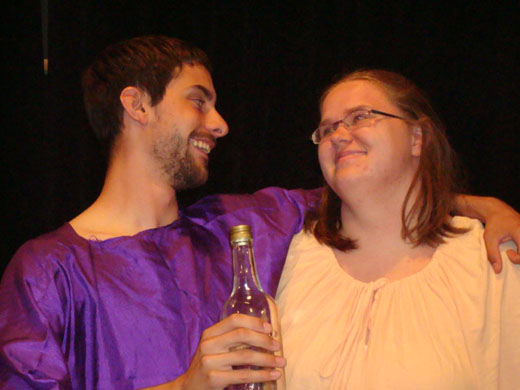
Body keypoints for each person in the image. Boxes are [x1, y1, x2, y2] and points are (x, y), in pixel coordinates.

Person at [0, 36, 518, 390]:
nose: (220, 124)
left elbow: (372, 191)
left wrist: (481, 206)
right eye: (198, 101)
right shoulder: (48, 270)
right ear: (137, 105)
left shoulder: (242, 228)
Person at [276, 69, 520, 389]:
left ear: (417, 138)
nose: (338, 134)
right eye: (326, 128)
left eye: (360, 116)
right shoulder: (284, 255)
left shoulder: (490, 258)